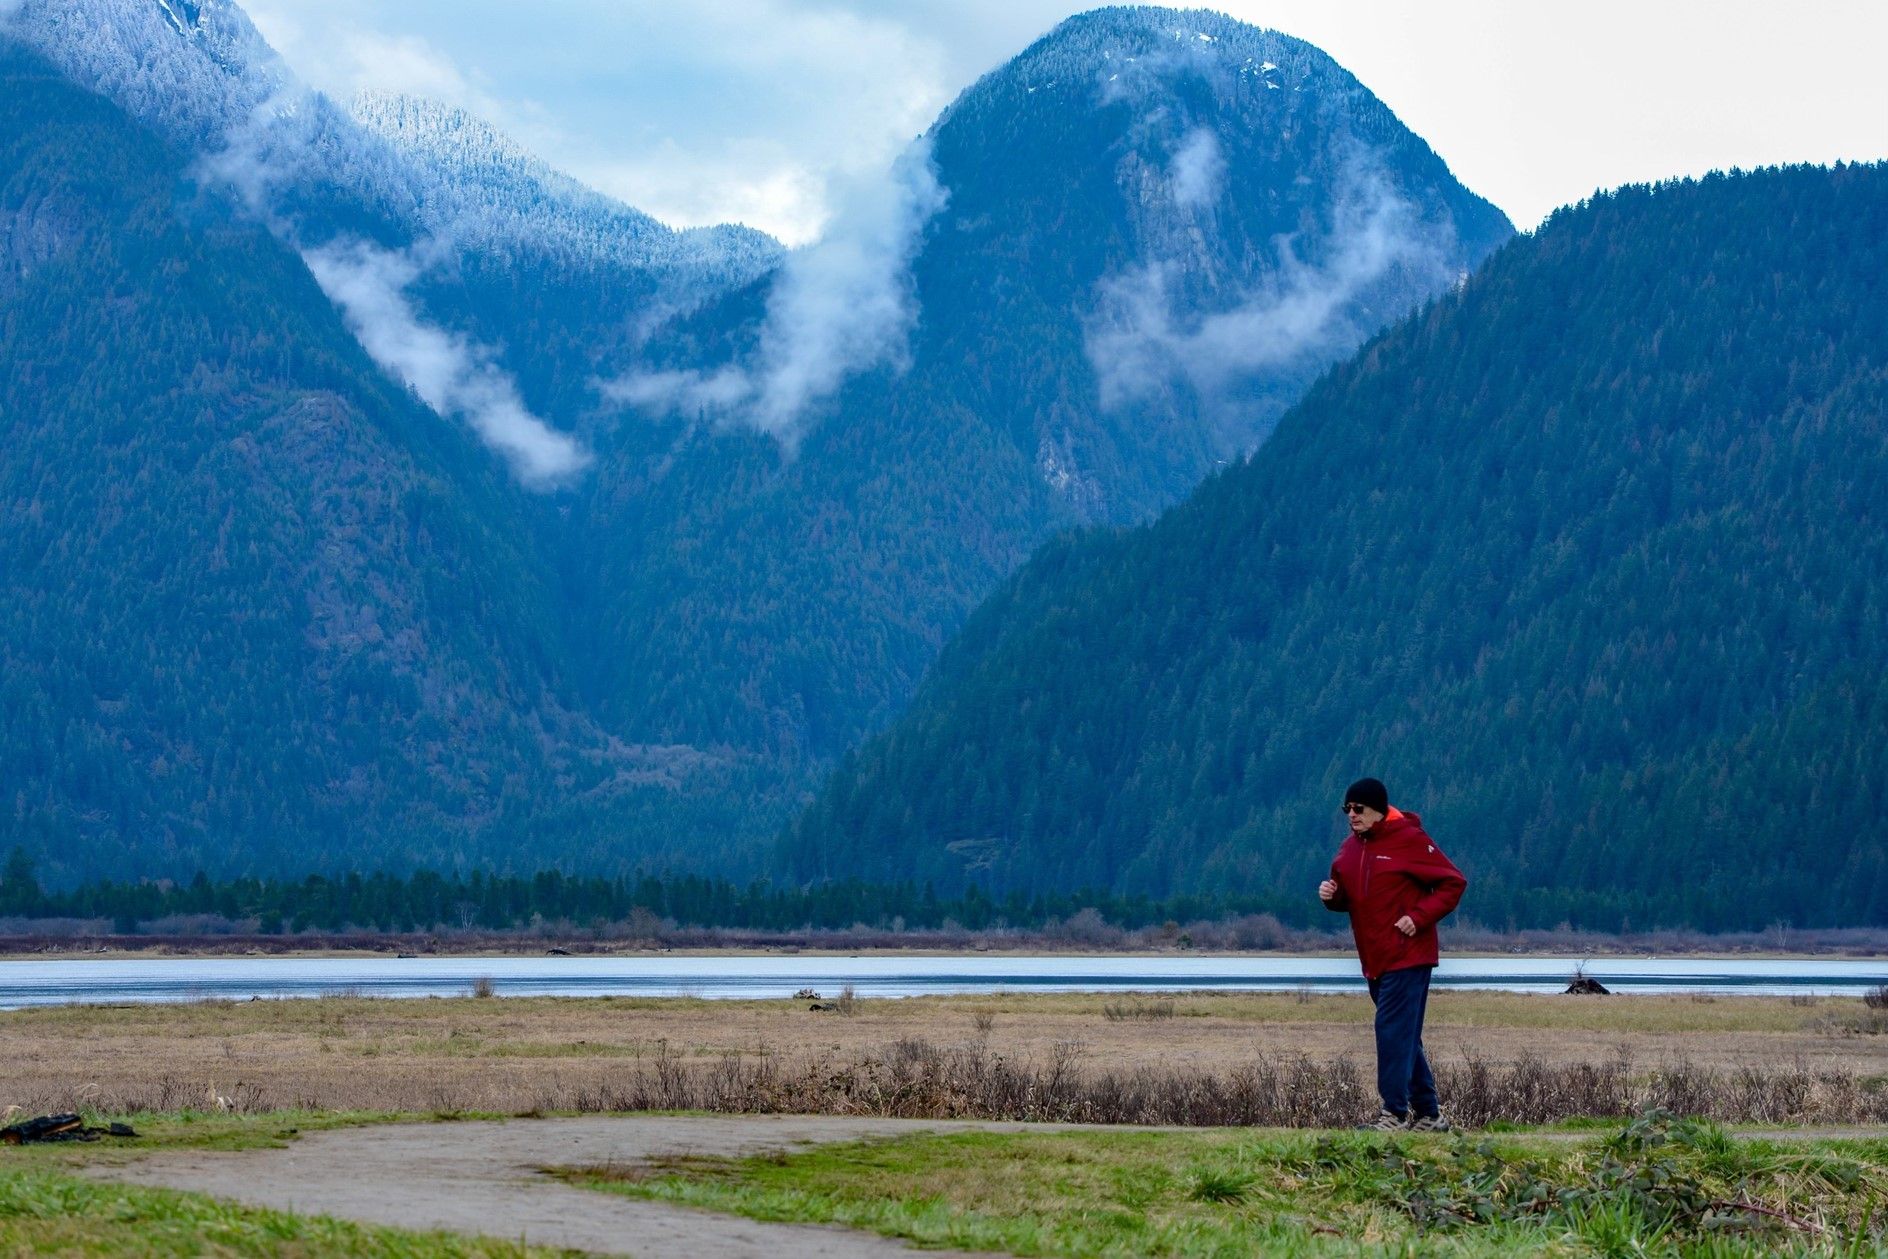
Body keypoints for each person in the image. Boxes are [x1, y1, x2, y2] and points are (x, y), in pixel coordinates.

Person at [1318, 777, 1467, 1131]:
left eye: (1359, 809)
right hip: (1375, 959)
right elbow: (1348, 896)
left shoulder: (1410, 840)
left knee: (1391, 1031)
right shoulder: (1348, 850)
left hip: (1409, 955)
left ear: (1379, 811)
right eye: (1347, 809)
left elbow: (1453, 882)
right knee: (1404, 1036)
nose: (1351, 815)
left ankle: (1395, 1115)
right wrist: (1332, 897)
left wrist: (1419, 917)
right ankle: (1430, 1116)